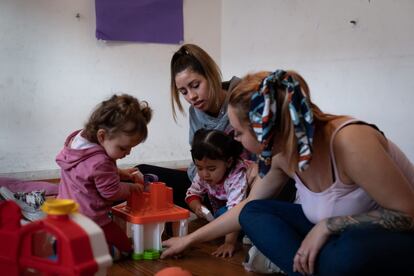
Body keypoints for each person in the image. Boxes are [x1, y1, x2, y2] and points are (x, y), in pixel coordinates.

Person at [161, 70, 414, 275]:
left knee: (349, 252)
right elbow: (247, 207)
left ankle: (311, 266)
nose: (236, 140)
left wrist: (328, 226)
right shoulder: (282, 153)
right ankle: (312, 267)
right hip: (333, 236)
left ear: (263, 128)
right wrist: (189, 240)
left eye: (238, 133)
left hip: (390, 237)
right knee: (253, 212)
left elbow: (408, 214)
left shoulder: (350, 141)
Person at [137, 44, 243, 209]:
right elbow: (197, 162)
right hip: (207, 187)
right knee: (141, 174)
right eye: (184, 92)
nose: (192, 96)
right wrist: (201, 185)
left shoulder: (242, 99)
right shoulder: (195, 112)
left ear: (211, 75)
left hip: (239, 188)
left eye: (195, 85)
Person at [57, 94, 152, 258]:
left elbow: (87, 172)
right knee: (126, 248)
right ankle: (88, 252)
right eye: (123, 148)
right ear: (101, 136)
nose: (127, 153)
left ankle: (68, 243)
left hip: (65, 213)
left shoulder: (76, 142)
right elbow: (111, 192)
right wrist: (132, 188)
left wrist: (119, 173)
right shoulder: (102, 162)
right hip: (90, 218)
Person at [186, 128, 250, 257]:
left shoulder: (236, 176)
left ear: (229, 162)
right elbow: (192, 194)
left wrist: (229, 243)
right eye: (199, 168)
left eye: (211, 168)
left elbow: (234, 212)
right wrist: (197, 206)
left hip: (245, 212)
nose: (205, 174)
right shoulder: (204, 174)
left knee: (222, 215)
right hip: (226, 211)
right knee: (219, 216)